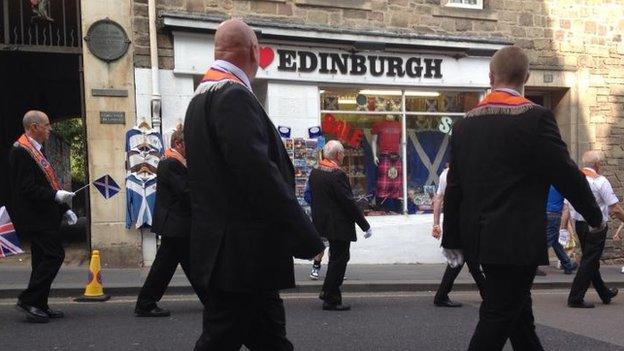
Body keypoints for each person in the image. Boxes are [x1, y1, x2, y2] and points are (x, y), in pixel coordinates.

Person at [441, 46, 602, 351]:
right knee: (498, 315)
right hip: (516, 240)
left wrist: (452, 239)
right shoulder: (536, 118)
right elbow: (566, 173)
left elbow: (455, 188)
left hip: (478, 239)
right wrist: (594, 216)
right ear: (526, 77)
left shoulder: (464, 125)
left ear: (491, 77)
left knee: (519, 317)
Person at [184, 19, 324, 351]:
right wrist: (304, 234)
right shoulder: (232, 96)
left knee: (271, 340)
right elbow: (259, 176)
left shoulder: (201, 99)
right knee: (221, 340)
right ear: (253, 51)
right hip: (241, 258)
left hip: (234, 255)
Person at [8, 110, 77, 323]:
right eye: (47, 125)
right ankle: (29, 299)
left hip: (45, 216)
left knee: (40, 261)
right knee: (54, 256)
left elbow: (49, 184)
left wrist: (64, 208)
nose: (50, 129)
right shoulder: (21, 152)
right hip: (35, 218)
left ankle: (40, 304)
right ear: (34, 127)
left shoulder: (37, 151)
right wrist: (56, 195)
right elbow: (27, 188)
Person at [135, 126, 208, 317]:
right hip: (176, 224)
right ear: (178, 143)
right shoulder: (171, 163)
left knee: (191, 265)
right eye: (189, 145)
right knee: (164, 268)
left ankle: (211, 300)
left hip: (178, 224)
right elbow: (185, 192)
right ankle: (145, 303)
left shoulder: (176, 162)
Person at [309, 140, 372, 311]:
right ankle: (331, 299)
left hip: (323, 224)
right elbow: (348, 203)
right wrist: (365, 225)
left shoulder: (315, 172)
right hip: (338, 225)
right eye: (343, 153)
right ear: (337, 155)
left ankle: (326, 291)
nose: (344, 155)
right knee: (339, 261)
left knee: (336, 259)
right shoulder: (337, 174)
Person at [566, 150, 624, 308]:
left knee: (590, 260)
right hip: (596, 226)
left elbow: (567, 204)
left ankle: (604, 293)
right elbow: (615, 209)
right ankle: (575, 297)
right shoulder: (601, 181)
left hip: (580, 224)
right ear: (598, 164)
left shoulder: (574, 179)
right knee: (589, 261)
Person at [432, 166, 485, 307]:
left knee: (465, 259)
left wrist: (436, 224)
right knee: (463, 258)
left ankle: (487, 294)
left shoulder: (445, 174)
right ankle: (441, 296)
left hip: (456, 222)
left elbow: (438, 199)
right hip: (463, 223)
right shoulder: (466, 172)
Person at [544, 186, 579, 275]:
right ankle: (532, 265)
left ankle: (567, 265)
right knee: (547, 241)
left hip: (544, 213)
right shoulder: (562, 185)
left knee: (555, 242)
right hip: (554, 214)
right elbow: (566, 207)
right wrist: (563, 226)